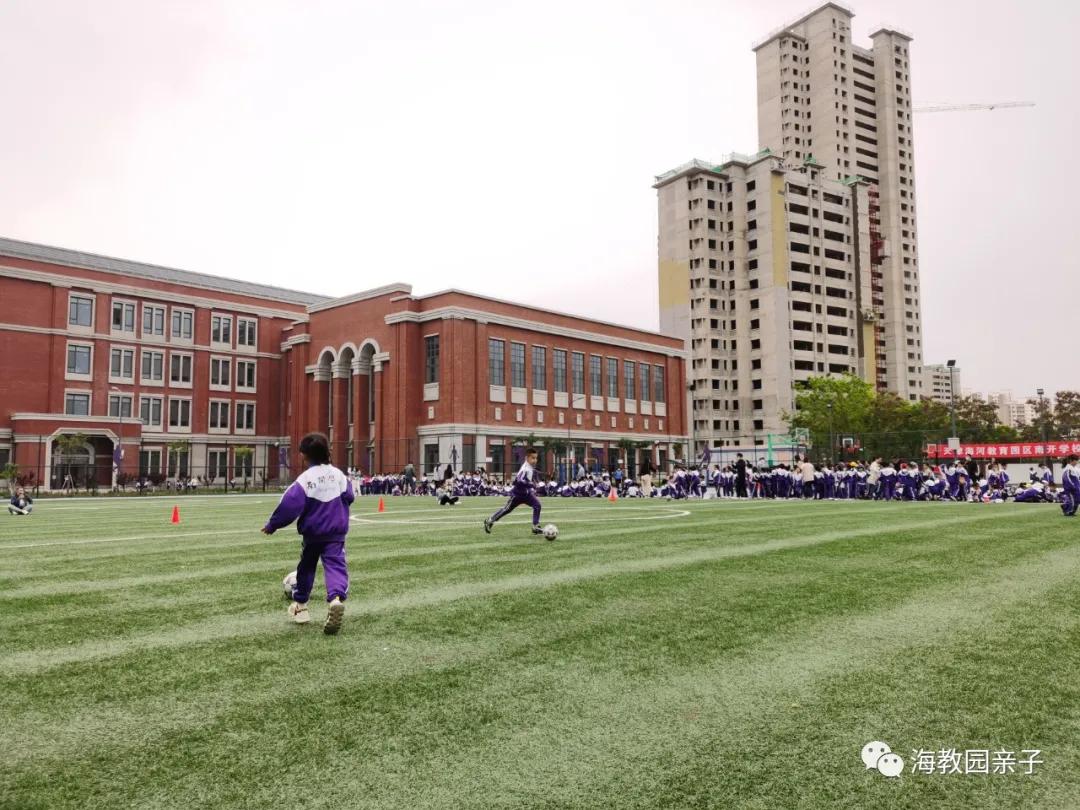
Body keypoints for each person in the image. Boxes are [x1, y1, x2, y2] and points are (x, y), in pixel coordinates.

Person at [262, 432, 353, 634]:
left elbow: (288, 506)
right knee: (336, 566)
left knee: (306, 567)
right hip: (336, 533)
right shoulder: (339, 475)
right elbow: (350, 496)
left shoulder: (305, 480)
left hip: (313, 533)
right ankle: (336, 599)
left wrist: (272, 525)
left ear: (305, 456)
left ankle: (301, 606)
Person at [484, 447, 543, 536]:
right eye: (533, 458)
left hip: (527, 494)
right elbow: (518, 480)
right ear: (527, 458)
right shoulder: (525, 468)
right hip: (517, 494)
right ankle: (490, 520)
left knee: (537, 505)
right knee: (507, 509)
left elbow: (527, 477)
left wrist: (533, 481)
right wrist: (531, 484)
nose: (535, 460)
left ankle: (535, 526)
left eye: (536, 458)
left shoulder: (529, 467)